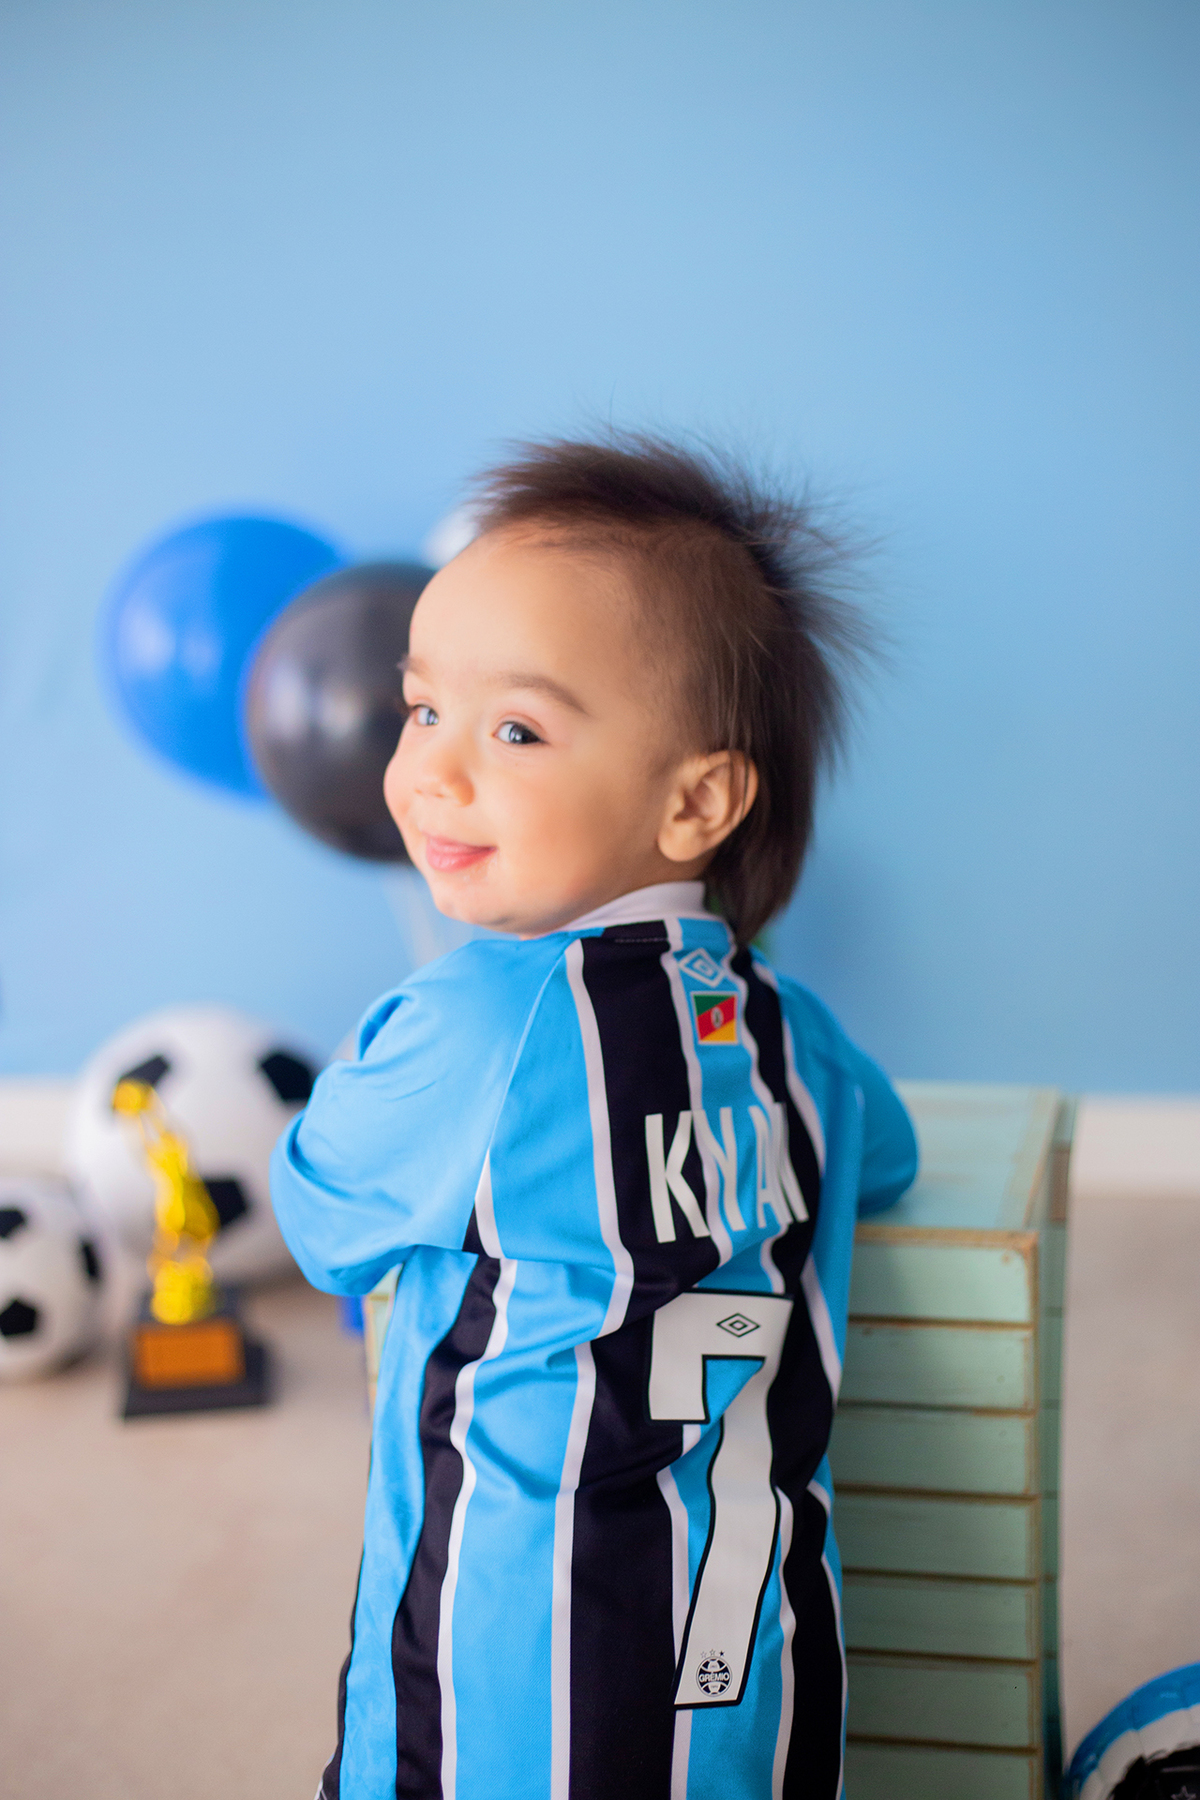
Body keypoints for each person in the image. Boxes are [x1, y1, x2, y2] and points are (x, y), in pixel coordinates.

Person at [271, 434, 918, 1800]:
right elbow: (889, 1157)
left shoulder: (475, 1024)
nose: (431, 771)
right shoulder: (797, 1036)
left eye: (514, 731)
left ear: (697, 800)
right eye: (420, 709)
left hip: (505, 1693)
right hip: (755, 1678)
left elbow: (321, 1220)